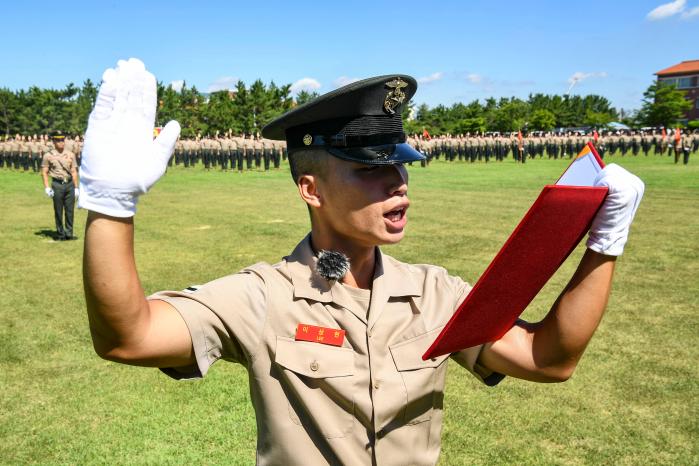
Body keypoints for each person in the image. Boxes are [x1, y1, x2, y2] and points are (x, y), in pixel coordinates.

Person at [79, 59, 644, 466]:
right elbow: (128, 337)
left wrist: (605, 243)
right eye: (370, 169)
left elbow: (548, 360)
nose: (397, 183)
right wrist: (110, 205)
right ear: (311, 189)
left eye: (400, 166)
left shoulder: (435, 294)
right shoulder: (261, 296)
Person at [42, 131, 79, 240]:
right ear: (53, 141)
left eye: (62, 140)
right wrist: (47, 187)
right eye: (58, 140)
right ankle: (60, 234)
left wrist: (76, 187)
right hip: (57, 184)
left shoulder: (70, 154)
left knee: (70, 210)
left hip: (69, 185)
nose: (61, 142)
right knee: (58, 210)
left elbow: (74, 171)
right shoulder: (48, 155)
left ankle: (69, 233)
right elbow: (44, 171)